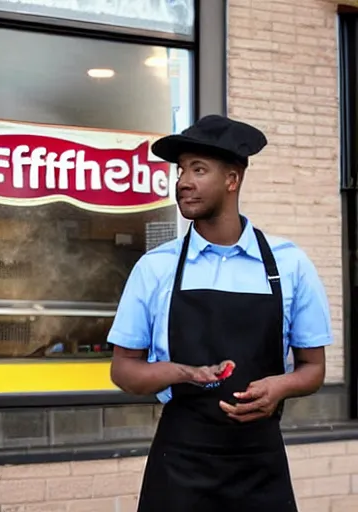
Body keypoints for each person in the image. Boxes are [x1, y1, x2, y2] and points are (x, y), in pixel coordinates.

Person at [108, 115, 333, 512]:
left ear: (232, 180)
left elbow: (313, 369)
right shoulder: (156, 267)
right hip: (179, 466)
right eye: (180, 171)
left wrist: (280, 388)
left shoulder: (289, 264)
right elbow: (124, 370)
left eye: (198, 169)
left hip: (260, 467)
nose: (183, 182)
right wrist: (185, 373)